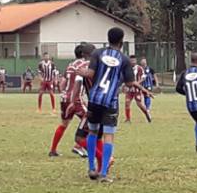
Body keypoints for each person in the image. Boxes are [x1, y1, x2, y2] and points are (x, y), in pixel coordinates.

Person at [76, 27, 153, 182]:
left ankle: (91, 168)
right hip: (110, 101)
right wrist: (144, 89)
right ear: (122, 41)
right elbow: (130, 82)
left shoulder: (98, 53)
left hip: (95, 99)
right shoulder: (124, 59)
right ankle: (103, 173)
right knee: (108, 136)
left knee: (92, 132)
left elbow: (90, 74)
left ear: (108, 38)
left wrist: (79, 72)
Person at [49, 44, 93, 157]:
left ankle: (53, 150)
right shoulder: (85, 65)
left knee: (64, 124)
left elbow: (62, 83)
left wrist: (65, 93)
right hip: (76, 98)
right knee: (91, 120)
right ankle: (78, 146)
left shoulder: (70, 65)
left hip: (64, 98)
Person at [123, 55, 151, 123]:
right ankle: (128, 119)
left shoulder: (139, 68)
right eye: (131, 60)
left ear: (136, 61)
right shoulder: (127, 68)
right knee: (127, 103)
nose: (132, 62)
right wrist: (124, 85)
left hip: (137, 89)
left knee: (139, 104)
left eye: (134, 60)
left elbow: (143, 78)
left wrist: (137, 83)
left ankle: (147, 114)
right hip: (129, 89)